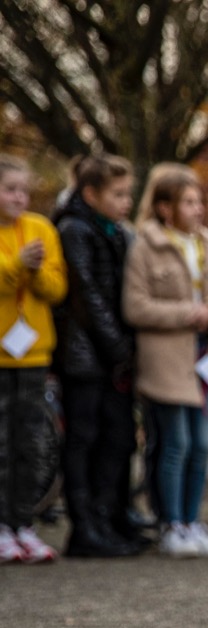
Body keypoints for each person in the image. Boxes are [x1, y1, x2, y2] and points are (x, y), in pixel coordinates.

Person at [123, 163, 208, 558]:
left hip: (203, 357)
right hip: (166, 359)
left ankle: (192, 521)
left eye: (199, 202)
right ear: (164, 207)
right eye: (188, 202)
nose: (197, 210)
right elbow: (135, 306)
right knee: (174, 442)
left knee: (201, 445)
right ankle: (170, 523)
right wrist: (184, 314)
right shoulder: (146, 246)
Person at [52, 153, 142, 558]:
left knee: (118, 438)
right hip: (85, 356)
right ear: (90, 193)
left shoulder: (118, 232)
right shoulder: (73, 229)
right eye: (118, 194)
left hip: (113, 358)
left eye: (129, 194)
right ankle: (84, 526)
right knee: (84, 439)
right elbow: (86, 295)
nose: (126, 202)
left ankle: (110, 516)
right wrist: (118, 346)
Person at [0, 154, 68, 564]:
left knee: (31, 444)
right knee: (1, 445)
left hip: (33, 353)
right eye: (10, 189)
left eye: (24, 190)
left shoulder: (41, 229)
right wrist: (15, 266)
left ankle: (23, 523)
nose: (19, 197)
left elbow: (57, 289)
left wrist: (38, 271)